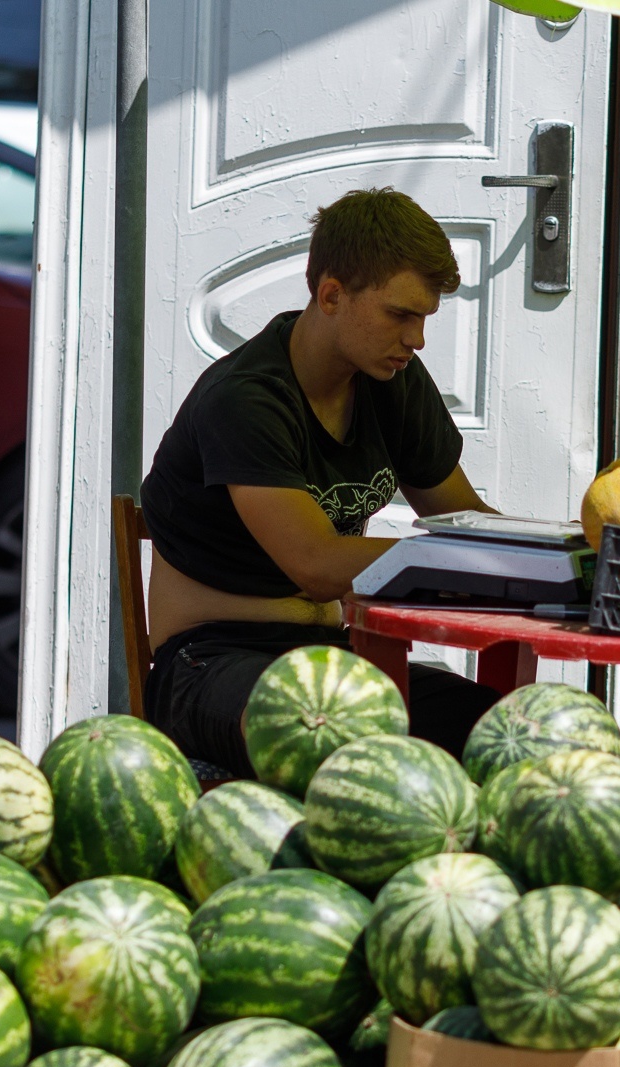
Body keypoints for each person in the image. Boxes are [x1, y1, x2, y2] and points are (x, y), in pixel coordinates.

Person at [139, 188, 503, 777]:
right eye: (400, 314)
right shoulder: (246, 399)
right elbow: (315, 564)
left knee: (511, 734)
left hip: (336, 661)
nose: (417, 339)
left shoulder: (393, 380)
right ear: (331, 294)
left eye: (425, 319)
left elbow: (463, 517)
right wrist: (455, 557)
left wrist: (565, 554)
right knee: (342, 740)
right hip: (208, 663)